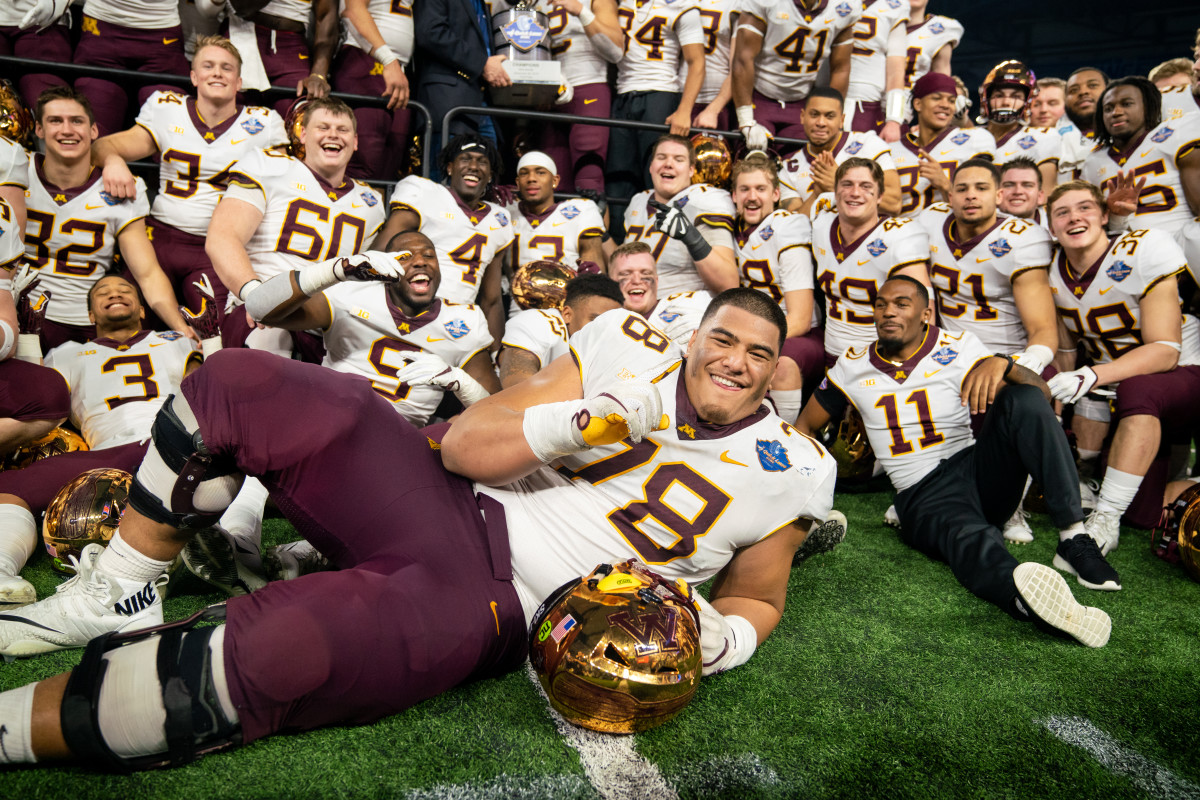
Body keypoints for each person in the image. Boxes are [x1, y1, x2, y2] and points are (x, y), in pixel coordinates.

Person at [0, 288, 838, 773]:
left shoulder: (796, 466)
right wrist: (584, 422)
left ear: (776, 369)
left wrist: (723, 638)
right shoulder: (625, 345)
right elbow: (470, 446)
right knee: (247, 381)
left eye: (757, 353)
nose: (734, 359)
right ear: (694, 338)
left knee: (280, 654)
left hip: (499, 599)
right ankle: (117, 589)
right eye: (721, 338)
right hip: (443, 498)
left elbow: (759, 592)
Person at [797, 275, 1120, 647]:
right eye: (881, 304)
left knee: (1024, 398)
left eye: (901, 304)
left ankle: (1073, 538)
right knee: (971, 538)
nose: (888, 311)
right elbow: (805, 427)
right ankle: (1024, 597)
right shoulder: (852, 365)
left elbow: (1041, 397)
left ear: (926, 313)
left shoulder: (958, 345)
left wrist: (1005, 365)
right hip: (923, 492)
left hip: (977, 469)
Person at [0, 275, 200, 606]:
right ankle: (3, 572)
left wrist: (213, 342)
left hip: (171, 439)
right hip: (108, 455)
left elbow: (206, 394)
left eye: (125, 291)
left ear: (142, 309)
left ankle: (236, 545)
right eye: (102, 293)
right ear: (90, 316)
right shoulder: (66, 353)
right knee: (9, 487)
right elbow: (35, 397)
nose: (115, 294)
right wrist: (30, 340)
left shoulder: (175, 340)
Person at [1044, 181, 1200, 552]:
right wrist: (1058, 407)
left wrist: (1091, 374)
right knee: (1143, 515)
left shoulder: (1144, 247)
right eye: (1061, 212)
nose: (1074, 217)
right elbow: (1067, 352)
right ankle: (1103, 487)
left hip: (1184, 376)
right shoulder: (1052, 268)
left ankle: (1106, 518)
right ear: (1050, 226)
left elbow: (1165, 351)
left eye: (1084, 207)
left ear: (1103, 215)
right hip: (1125, 391)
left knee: (1134, 386)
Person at [92, 36, 287, 319]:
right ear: (194, 76)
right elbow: (103, 147)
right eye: (208, 66)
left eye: (226, 67)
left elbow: (284, 187)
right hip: (160, 236)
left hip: (218, 246)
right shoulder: (166, 107)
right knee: (127, 318)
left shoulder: (264, 123)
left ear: (239, 82)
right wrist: (112, 160)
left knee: (219, 327)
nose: (217, 72)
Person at [246, 230, 500, 425]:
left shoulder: (464, 321)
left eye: (429, 255)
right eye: (406, 256)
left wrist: (460, 383)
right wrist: (336, 270)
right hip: (329, 419)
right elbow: (260, 309)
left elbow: (494, 408)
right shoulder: (349, 294)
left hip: (399, 441)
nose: (421, 261)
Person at [206, 97, 385, 356]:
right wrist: (256, 296)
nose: (333, 135)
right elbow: (222, 238)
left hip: (326, 321)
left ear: (355, 142)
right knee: (270, 348)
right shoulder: (269, 166)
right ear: (302, 134)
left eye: (342, 129)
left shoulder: (371, 203)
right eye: (322, 127)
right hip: (263, 315)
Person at [22, 87, 193, 355]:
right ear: (39, 130)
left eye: (77, 121)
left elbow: (147, 273)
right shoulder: (15, 169)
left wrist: (180, 326)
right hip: (20, 311)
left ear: (93, 131)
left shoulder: (120, 187)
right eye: (55, 121)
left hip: (89, 323)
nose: (67, 130)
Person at [372, 136, 514, 344]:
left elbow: (491, 299)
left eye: (482, 162)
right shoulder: (426, 194)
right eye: (465, 159)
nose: (474, 166)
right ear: (450, 168)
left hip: (457, 322)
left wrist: (496, 350)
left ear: (490, 174)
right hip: (412, 310)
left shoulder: (499, 219)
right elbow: (379, 252)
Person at [919, 159, 1056, 363]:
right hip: (946, 356)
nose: (971, 195)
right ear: (950, 196)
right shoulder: (931, 220)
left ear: (998, 196)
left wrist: (1026, 365)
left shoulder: (1022, 238)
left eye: (981, 188)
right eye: (962, 189)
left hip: (1005, 355)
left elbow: (1042, 327)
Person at [811, 157, 930, 364]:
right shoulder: (821, 222)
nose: (855, 192)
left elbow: (923, 314)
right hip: (832, 356)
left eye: (866, 186)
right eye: (847, 184)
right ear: (835, 190)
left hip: (880, 359)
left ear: (879, 196)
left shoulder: (897, 236)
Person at [731, 154, 822, 410]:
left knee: (779, 366)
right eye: (744, 189)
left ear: (776, 194)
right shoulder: (731, 228)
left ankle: (785, 439)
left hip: (799, 334)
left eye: (761, 189)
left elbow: (802, 319)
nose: (752, 196)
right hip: (755, 329)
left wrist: (751, 339)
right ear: (734, 196)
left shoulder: (787, 226)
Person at [517, 0, 624, 195]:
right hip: (549, 96)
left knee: (589, 181)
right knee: (551, 185)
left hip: (589, 88)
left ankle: (591, 227)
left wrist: (582, 11)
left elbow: (616, 52)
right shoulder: (534, 3)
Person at [605, 0, 706, 202]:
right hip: (623, 93)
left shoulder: (681, 4)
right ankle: (621, 232)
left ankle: (660, 232)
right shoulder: (621, 2)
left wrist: (684, 111)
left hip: (660, 94)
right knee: (619, 178)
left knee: (657, 175)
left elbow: (697, 62)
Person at [1080, 76, 1200, 241]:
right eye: (1108, 108)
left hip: (1182, 238)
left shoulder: (1175, 132)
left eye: (1127, 104)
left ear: (1148, 107)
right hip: (1129, 248)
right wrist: (1116, 215)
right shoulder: (1093, 162)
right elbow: (1104, 229)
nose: (1116, 112)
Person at [731, 0, 860, 152]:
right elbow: (743, 59)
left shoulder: (845, 6)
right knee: (753, 161)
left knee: (803, 166)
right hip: (759, 98)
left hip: (802, 103)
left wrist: (833, 115)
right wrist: (746, 120)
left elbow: (841, 68)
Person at [622, 134, 738, 296]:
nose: (668, 164)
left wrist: (692, 239)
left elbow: (729, 284)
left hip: (684, 306)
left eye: (679, 159)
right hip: (636, 302)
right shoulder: (639, 201)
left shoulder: (705, 199)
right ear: (651, 166)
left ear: (691, 170)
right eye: (661, 157)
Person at [69, 0, 191, 136]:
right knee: (93, 134)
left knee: (170, 134)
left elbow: (208, 9)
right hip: (102, 27)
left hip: (162, 34)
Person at [778, 87, 901, 216]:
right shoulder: (789, 170)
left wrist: (839, 185)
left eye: (829, 116)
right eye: (814, 114)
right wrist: (817, 194)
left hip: (869, 235)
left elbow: (894, 204)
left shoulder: (869, 145)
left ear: (842, 120)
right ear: (803, 116)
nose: (821, 122)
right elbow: (792, 226)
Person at [332, 0, 416, 181]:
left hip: (397, 69)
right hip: (367, 59)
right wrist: (387, 59)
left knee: (390, 164)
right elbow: (352, 10)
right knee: (364, 161)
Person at [892, 71, 995, 218]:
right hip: (904, 236)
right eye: (936, 98)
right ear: (918, 104)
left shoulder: (975, 139)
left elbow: (984, 203)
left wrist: (945, 184)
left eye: (952, 101)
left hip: (954, 236)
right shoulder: (891, 151)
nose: (946, 105)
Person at [498, 273, 625, 387]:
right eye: (594, 321)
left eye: (609, 325)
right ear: (567, 314)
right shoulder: (540, 322)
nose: (603, 332)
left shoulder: (614, 346)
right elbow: (516, 384)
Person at [506, 152, 606, 274]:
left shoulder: (581, 211)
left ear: (555, 180)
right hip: (514, 292)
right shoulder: (504, 212)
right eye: (524, 173)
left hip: (567, 292)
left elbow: (595, 273)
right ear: (517, 182)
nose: (531, 178)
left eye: (540, 172)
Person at [609, 240, 712, 347]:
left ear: (656, 281)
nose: (636, 280)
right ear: (609, 282)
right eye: (626, 274)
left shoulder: (693, 303)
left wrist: (714, 327)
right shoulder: (602, 324)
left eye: (646, 273)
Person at [978, 61, 1060, 193]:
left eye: (1015, 96)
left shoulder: (1043, 137)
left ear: (1028, 101)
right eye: (999, 95)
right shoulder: (972, 136)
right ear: (986, 98)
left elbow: (1046, 195)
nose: (1005, 102)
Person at [844, 0, 910, 140]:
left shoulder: (895, 5)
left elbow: (896, 70)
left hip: (865, 101)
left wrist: (894, 119)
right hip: (823, 96)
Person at [902, 0, 960, 90]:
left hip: (913, 101)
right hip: (875, 99)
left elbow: (942, 84)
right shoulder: (877, 24)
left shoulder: (940, 29)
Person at [997, 157, 1048, 227]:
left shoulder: (1056, 226)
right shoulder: (980, 228)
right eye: (1009, 185)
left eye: (1027, 185)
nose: (1018, 191)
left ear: (1040, 196)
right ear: (997, 194)